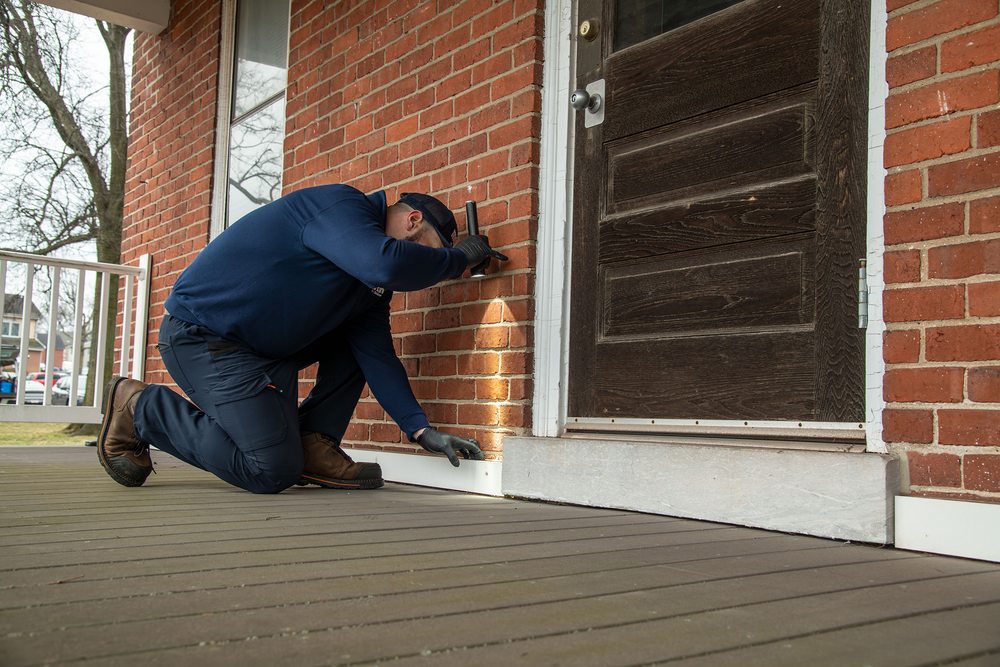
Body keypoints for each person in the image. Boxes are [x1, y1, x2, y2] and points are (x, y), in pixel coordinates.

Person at [96, 185, 507, 494]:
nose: (423, 270)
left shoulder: (368, 289)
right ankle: (141, 408)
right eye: (425, 254)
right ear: (412, 221)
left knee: (357, 345)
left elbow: (377, 356)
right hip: (206, 337)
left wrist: (420, 430)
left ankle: (314, 441)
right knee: (270, 470)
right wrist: (457, 260)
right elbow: (386, 263)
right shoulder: (340, 208)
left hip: (262, 354)